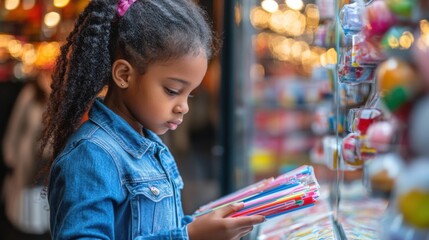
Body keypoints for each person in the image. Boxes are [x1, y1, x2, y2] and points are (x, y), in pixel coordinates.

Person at [39, 0, 265, 239]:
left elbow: (160, 229)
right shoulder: (91, 155)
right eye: (172, 90)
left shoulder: (151, 146)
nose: (183, 107)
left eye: (190, 94)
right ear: (124, 75)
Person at [2, 69, 52, 239]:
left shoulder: (65, 96)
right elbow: (15, 127)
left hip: (48, 165)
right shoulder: (31, 92)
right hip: (26, 163)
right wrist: (10, 157)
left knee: (42, 215)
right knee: (22, 213)